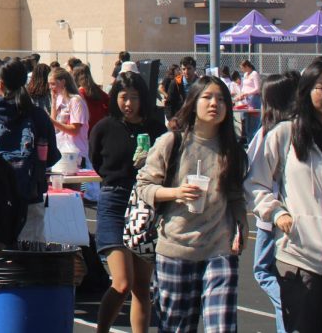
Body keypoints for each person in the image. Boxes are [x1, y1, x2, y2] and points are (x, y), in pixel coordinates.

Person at [135, 76, 247, 333]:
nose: (214, 104)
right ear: (193, 102)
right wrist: (176, 192)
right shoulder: (171, 142)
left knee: (222, 327)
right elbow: (143, 187)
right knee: (176, 327)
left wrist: (242, 222)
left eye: (221, 99)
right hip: (177, 248)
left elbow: (236, 195)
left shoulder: (233, 149)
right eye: (207, 97)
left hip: (219, 248)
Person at [247, 64, 322, 332]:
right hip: (299, 256)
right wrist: (276, 212)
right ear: (306, 91)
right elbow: (255, 183)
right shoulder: (285, 134)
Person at [89, 72, 167, 333]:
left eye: (134, 97)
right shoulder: (104, 127)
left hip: (145, 203)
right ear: (115, 98)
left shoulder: (156, 128)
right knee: (122, 282)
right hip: (114, 199)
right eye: (124, 97)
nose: (129, 103)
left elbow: (168, 161)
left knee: (142, 286)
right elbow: (97, 162)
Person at [241, 71, 298, 333]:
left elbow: (252, 172)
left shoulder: (272, 132)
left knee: (264, 272)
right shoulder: (299, 129)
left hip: (271, 218)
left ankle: (291, 309)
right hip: (283, 216)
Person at [0, 60, 60, 237]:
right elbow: (51, 156)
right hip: (31, 193)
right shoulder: (38, 115)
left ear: (0, 84)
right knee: (31, 256)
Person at [49, 67, 96, 201]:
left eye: (53, 83)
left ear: (63, 82)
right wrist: (53, 103)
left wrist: (52, 121)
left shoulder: (76, 101)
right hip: (61, 152)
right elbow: (55, 127)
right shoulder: (59, 100)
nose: (51, 87)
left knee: (74, 194)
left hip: (76, 153)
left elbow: (74, 129)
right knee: (59, 193)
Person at [166, 56, 198, 124]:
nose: (186, 71)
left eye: (189, 68)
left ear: (194, 69)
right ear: (180, 70)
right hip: (179, 121)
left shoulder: (200, 83)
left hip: (196, 121)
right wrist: (171, 120)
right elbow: (169, 103)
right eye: (183, 69)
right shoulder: (175, 83)